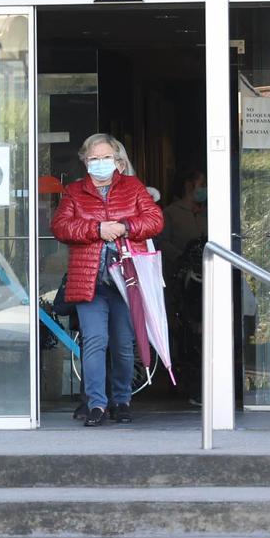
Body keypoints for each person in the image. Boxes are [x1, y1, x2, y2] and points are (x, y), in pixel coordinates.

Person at [51, 133, 164, 427]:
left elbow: (155, 220)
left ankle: (122, 400)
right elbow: (61, 227)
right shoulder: (74, 192)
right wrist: (97, 229)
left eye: (106, 158)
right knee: (94, 341)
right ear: (85, 161)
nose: (100, 163)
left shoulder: (133, 187)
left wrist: (124, 226)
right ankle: (96, 403)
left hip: (127, 280)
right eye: (94, 158)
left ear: (117, 160)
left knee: (124, 344)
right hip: (90, 280)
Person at [159, 168, 207, 273]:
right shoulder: (170, 212)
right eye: (202, 185)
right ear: (189, 185)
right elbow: (163, 243)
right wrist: (182, 258)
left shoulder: (207, 213)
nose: (205, 189)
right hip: (179, 277)